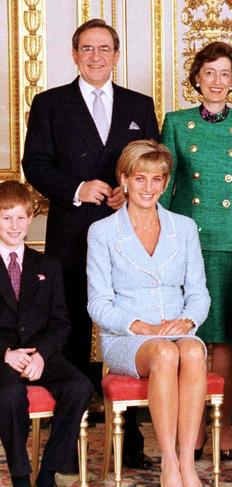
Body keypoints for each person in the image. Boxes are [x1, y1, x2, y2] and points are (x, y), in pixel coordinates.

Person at [21, 18, 159, 469]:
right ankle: (70, 448)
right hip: (73, 236)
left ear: (117, 55)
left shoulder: (140, 104)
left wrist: (129, 188)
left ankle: (132, 443)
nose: (96, 56)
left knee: (128, 329)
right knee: (73, 335)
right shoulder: (50, 104)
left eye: (104, 48)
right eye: (87, 48)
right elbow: (35, 164)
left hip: (128, 234)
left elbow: (151, 161)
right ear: (74, 55)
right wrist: (79, 188)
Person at [160, 40, 232, 461]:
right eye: (209, 73)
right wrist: (158, 245)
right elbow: (164, 191)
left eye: (225, 74)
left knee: (224, 339)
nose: (217, 82)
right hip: (186, 243)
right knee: (191, 336)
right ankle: (195, 425)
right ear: (197, 80)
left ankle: (222, 424)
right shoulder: (175, 122)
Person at [87, 140, 211, 487]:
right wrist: (138, 326)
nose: (149, 187)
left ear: (166, 183)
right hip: (128, 338)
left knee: (190, 349)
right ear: (124, 180)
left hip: (176, 329)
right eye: (140, 178)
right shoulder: (102, 232)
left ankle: (187, 462)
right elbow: (97, 303)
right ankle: (168, 463)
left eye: (157, 179)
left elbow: (199, 293)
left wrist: (187, 321)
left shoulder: (183, 228)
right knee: (164, 351)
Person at [0, 181, 93, 487]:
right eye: (6, 217)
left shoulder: (47, 265)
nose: (15, 226)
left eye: (20, 217)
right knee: (10, 394)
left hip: (39, 352)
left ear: (30, 218)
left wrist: (41, 354)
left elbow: (60, 322)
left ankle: (48, 473)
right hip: (3, 355)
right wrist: (6, 354)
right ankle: (21, 476)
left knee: (79, 386)